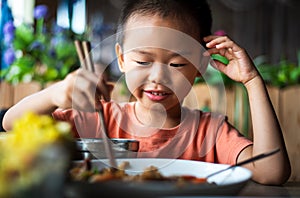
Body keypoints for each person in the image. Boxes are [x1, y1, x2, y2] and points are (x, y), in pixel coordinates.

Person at [3, 0, 290, 185]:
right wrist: (56, 93)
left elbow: (272, 172)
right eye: (142, 61)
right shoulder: (97, 116)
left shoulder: (210, 132)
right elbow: (11, 123)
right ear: (122, 58)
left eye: (177, 63)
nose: (158, 77)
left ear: (201, 65)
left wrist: (252, 80)